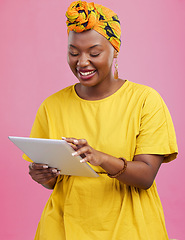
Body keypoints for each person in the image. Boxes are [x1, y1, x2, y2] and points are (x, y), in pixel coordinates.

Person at [23, 1, 178, 239]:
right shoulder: (52, 106)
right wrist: (44, 176)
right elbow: (55, 183)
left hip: (130, 229)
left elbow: (146, 176)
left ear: (115, 50)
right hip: (63, 229)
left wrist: (100, 158)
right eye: (73, 52)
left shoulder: (145, 100)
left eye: (94, 53)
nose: (82, 62)